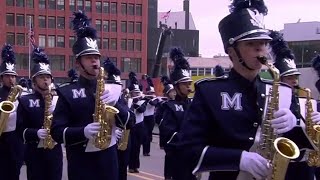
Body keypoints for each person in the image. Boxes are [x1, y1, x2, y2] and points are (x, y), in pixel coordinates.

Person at [177, 1, 309, 179]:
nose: (260, 48)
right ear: (232, 52)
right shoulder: (210, 92)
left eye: (263, 43)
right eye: (251, 43)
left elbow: (300, 153)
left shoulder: (283, 90)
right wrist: (240, 159)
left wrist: (297, 125)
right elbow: (187, 150)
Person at [51, 11, 129, 180]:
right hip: (82, 164)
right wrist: (82, 132)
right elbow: (56, 132)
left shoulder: (113, 89)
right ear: (78, 63)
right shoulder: (66, 92)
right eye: (89, 58)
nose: (94, 62)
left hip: (109, 161)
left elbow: (130, 122)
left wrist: (117, 106)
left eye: (96, 57)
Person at [270, 30, 320, 180]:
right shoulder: (271, 103)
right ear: (278, 80)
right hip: (282, 165)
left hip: (306, 166)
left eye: (296, 77)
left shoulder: (308, 101)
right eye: (289, 77)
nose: (294, 81)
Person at [16, 47, 63, 180]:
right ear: (34, 80)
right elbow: (19, 129)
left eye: (48, 77)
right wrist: (35, 133)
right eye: (41, 77)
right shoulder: (25, 100)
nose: (45, 80)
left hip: (55, 152)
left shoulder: (59, 99)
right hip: (34, 153)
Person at [160, 47, 195, 180]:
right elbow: (168, 134)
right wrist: (189, 140)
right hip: (178, 158)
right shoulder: (170, 107)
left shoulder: (194, 104)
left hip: (193, 157)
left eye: (189, 83)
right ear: (176, 86)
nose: (188, 87)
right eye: (185, 84)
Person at [0, 44, 24, 180]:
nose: (11, 79)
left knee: (15, 171)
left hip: (16, 139)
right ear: (2, 77)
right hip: (2, 139)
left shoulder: (21, 94)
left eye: (13, 76)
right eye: (8, 76)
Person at [155, 75, 176, 179]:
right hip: (168, 136)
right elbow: (158, 118)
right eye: (172, 91)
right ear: (168, 93)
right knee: (170, 157)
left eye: (174, 91)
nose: (174, 93)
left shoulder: (180, 103)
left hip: (178, 136)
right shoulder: (164, 105)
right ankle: (168, 176)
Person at [128, 71, 147, 173]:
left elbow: (142, 110)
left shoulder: (141, 101)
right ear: (131, 93)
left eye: (138, 92)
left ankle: (136, 166)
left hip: (140, 125)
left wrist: (136, 102)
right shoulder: (129, 101)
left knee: (137, 147)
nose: (137, 94)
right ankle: (131, 166)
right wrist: (131, 102)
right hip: (132, 126)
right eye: (135, 93)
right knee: (132, 146)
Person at [142, 75, 158, 156]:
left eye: (152, 93)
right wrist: (144, 98)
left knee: (149, 134)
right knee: (145, 134)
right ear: (147, 93)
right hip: (144, 118)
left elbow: (154, 103)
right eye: (150, 93)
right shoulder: (144, 98)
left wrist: (149, 98)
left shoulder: (154, 99)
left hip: (151, 118)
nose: (151, 94)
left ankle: (147, 151)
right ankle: (145, 150)